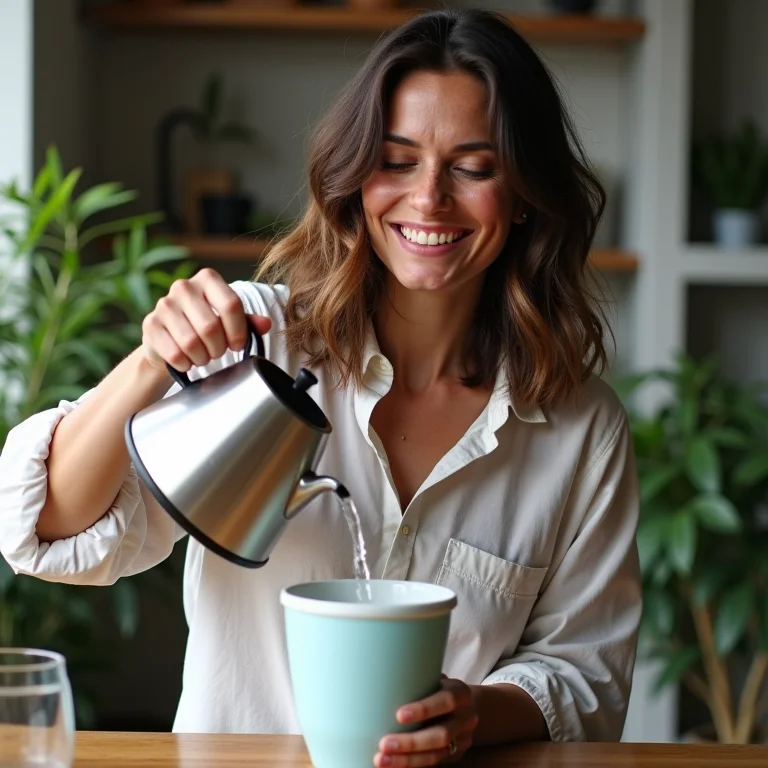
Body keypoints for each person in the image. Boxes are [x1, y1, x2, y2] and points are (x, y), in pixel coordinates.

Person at [0, 8, 641, 766]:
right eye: (397, 161)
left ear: (527, 191)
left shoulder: (577, 425)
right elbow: (55, 532)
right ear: (356, 177)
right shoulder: (256, 344)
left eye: (473, 167)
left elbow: (584, 675)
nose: (429, 198)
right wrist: (149, 363)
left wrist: (474, 713)